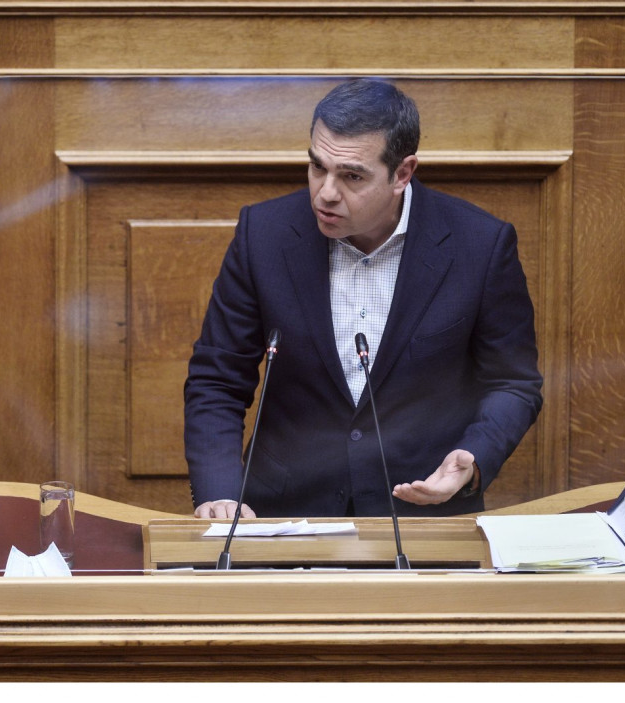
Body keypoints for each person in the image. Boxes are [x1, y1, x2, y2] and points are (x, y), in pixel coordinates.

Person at [184, 79, 542, 519]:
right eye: (318, 167)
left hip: (420, 514)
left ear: (402, 173)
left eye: (352, 176)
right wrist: (220, 493)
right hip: (283, 514)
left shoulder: (480, 245)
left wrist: (474, 455)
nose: (326, 193)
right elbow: (217, 379)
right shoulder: (264, 235)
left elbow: (513, 383)